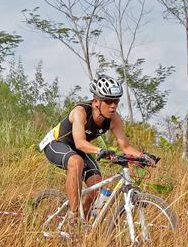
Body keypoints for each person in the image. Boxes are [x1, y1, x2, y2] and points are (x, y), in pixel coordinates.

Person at [39, 74, 153, 219]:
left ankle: (82, 224)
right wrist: (101, 150)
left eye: (116, 101)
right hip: (56, 143)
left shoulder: (114, 118)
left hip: (79, 149)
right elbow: (80, 142)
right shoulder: (80, 112)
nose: (113, 106)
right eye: (108, 101)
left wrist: (143, 157)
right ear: (96, 102)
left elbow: (125, 146)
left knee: (96, 182)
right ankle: (73, 215)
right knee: (76, 162)